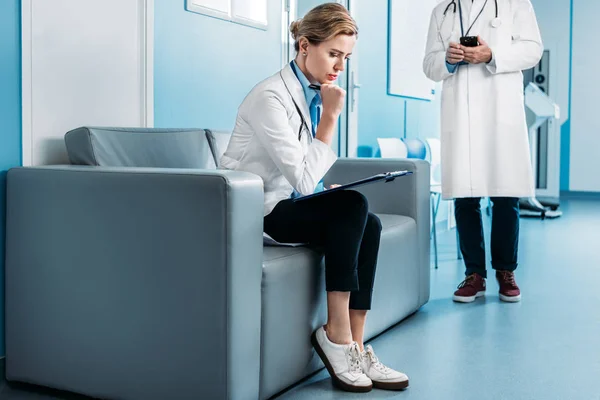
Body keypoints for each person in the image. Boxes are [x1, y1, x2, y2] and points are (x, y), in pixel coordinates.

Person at [220, 2, 408, 393]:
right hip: (251, 211)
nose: (340, 65)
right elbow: (302, 180)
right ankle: (335, 335)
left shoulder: (307, 91)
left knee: (366, 221)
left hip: (281, 201)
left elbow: (299, 175)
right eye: (333, 53)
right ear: (305, 45)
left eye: (346, 57)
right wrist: (330, 120)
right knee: (353, 206)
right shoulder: (269, 97)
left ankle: (356, 344)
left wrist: (323, 193)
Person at [423, 0, 543, 303]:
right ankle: (474, 274)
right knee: (465, 195)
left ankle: (505, 271)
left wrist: (491, 54)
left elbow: (532, 49)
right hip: (459, 113)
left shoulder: (515, 4)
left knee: (506, 192)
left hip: (500, 107)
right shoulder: (442, 11)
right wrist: (448, 60)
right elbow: (429, 64)